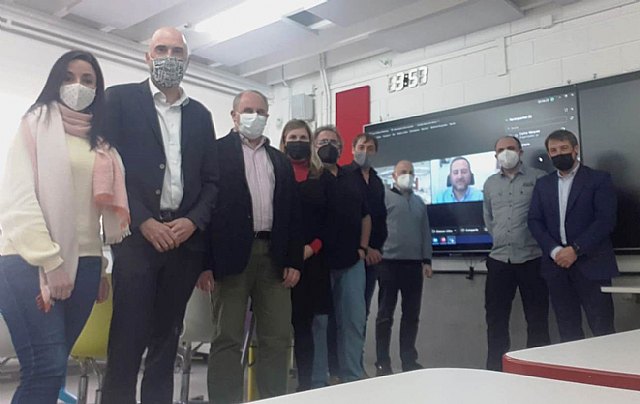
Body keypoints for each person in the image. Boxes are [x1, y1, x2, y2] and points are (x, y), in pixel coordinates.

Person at [0, 50, 129, 404]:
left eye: (88, 80)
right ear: (55, 82)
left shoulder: (100, 141)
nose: (77, 85)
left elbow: (93, 213)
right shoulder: (34, 125)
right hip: (29, 261)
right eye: (69, 77)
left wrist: (99, 268)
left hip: (86, 265)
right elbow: (17, 200)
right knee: (44, 367)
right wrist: (51, 260)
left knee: (54, 370)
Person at [101, 27, 219, 404]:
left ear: (187, 60)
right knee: (127, 337)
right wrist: (143, 220)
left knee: (167, 338)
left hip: (184, 242)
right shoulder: (119, 100)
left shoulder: (200, 115)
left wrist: (192, 221)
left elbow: (212, 181)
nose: (169, 57)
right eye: (161, 49)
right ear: (147, 56)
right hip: (137, 239)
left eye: (177, 51)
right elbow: (107, 169)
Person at [198, 90, 303, 403]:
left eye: (260, 111)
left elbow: (292, 214)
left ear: (268, 117)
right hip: (229, 259)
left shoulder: (280, 161)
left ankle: (272, 399)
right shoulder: (214, 153)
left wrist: (294, 260)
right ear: (234, 115)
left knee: (278, 337)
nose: (254, 117)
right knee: (227, 337)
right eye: (247, 110)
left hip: (274, 257)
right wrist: (204, 264)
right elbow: (204, 210)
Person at [528, 129, 618, 342]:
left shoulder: (599, 179)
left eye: (564, 148)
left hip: (592, 265)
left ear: (575, 149)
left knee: (603, 330)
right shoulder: (543, 184)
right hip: (557, 267)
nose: (559, 154)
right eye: (553, 150)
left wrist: (575, 250)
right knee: (568, 332)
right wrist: (555, 251)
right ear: (549, 154)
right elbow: (534, 221)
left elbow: (605, 221)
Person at [482, 136, 550, 372]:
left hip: (532, 258)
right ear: (495, 156)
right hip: (499, 260)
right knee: (496, 321)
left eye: (510, 148)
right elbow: (488, 218)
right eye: (501, 150)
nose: (506, 153)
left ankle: (537, 372)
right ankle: (496, 371)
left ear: (520, 152)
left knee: (537, 319)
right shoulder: (490, 183)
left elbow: (547, 216)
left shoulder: (539, 178)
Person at [312, 126, 371, 385]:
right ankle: (318, 380)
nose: (328, 145)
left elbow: (366, 215)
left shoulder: (352, 177)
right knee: (319, 324)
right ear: (314, 146)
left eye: (333, 142)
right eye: (323, 141)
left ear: (341, 147)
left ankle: (352, 377)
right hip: (319, 263)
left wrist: (363, 248)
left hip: (352, 261)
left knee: (353, 322)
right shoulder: (311, 176)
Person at [278, 119, 331, 391]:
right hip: (277, 262)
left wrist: (311, 248)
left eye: (302, 138)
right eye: (292, 138)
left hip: (312, 261)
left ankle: (306, 387)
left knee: (305, 328)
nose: (297, 142)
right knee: (275, 328)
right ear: (284, 141)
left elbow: (330, 221)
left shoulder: (321, 177)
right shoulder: (274, 172)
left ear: (309, 143)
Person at [375, 160, 432, 376]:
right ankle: (382, 362)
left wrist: (427, 260)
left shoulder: (419, 203)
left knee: (411, 315)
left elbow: (425, 232)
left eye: (410, 172)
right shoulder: (384, 198)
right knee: (385, 315)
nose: (407, 175)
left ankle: (409, 361)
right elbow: (376, 227)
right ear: (394, 176)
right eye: (403, 172)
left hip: (413, 266)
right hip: (388, 263)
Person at [345, 133, 387, 317]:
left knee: (364, 309)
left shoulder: (377, 181)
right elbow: (345, 218)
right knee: (349, 308)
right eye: (361, 147)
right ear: (352, 150)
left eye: (370, 149)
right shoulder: (344, 176)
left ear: (375, 152)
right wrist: (365, 248)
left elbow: (380, 217)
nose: (365, 152)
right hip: (352, 253)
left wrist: (376, 249)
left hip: (374, 257)